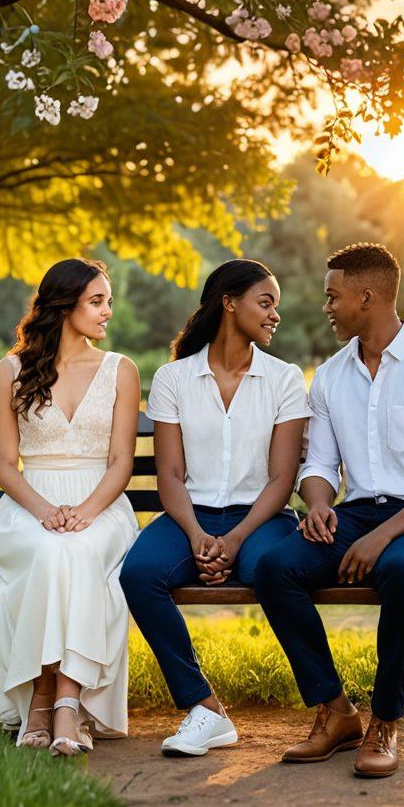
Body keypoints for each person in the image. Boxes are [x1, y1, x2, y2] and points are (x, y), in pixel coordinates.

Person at [253, 243, 404, 778]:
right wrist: (317, 505)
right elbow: (321, 465)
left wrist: (382, 538)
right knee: (274, 569)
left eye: (333, 297)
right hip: (355, 516)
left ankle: (385, 721)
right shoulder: (331, 377)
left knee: (401, 571)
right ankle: (335, 711)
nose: (326, 307)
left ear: (368, 296)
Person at [121, 259, 310, 757]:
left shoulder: (284, 379)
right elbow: (171, 476)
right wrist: (196, 534)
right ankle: (205, 708)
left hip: (262, 519)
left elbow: (281, 479)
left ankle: (329, 707)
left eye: (276, 307)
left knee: (271, 569)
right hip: (191, 515)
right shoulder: (174, 378)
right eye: (265, 303)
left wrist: (235, 539)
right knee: (138, 573)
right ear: (230, 302)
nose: (275, 316)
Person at [0, 258, 141, 756]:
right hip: (28, 504)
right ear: (65, 306)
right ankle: (44, 698)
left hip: (102, 502)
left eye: (108, 300)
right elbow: (5, 465)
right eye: (97, 301)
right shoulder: (12, 370)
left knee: (78, 550)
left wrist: (87, 511)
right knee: (49, 552)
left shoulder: (120, 370)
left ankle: (62, 701)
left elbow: (120, 462)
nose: (109, 311)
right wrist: (44, 511)